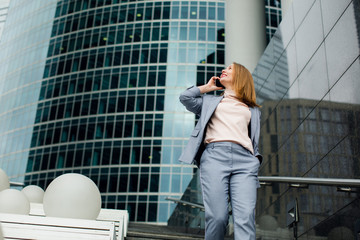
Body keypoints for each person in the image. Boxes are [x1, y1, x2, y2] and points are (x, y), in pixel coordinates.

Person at [179, 62, 262, 240]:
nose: (224, 70)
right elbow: (185, 97)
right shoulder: (209, 102)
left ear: (240, 76)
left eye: (230, 69)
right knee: (218, 217)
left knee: (245, 218)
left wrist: (254, 158)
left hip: (245, 162)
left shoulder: (252, 109)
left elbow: (253, 138)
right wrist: (207, 88)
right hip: (215, 157)